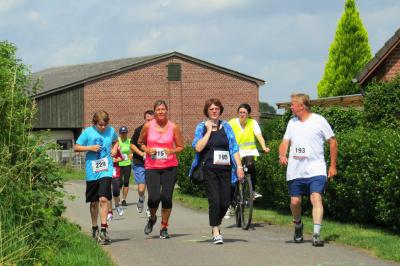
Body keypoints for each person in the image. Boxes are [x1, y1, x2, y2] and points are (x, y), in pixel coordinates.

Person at [278, 93, 338, 247]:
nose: (290, 107)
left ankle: (316, 234)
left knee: (315, 198)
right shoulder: (291, 123)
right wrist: (282, 154)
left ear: (302, 106)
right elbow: (285, 142)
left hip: (316, 169)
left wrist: (332, 166)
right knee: (295, 201)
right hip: (295, 171)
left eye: (292, 104)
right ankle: (298, 225)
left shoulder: (319, 120)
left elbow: (332, 142)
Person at [190, 98, 244, 245]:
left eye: (217, 109)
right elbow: (198, 147)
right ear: (207, 111)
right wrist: (208, 131)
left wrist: (239, 167)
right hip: (209, 170)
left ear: (220, 110)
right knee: (215, 201)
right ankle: (216, 231)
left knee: (225, 201)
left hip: (226, 170)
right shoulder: (201, 127)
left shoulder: (226, 126)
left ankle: (215, 221)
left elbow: (234, 148)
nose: (214, 111)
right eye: (211, 109)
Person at [138, 100, 183, 239]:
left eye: (163, 109)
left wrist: (171, 151)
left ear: (167, 110)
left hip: (170, 167)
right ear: (155, 112)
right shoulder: (147, 126)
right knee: (154, 198)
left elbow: (181, 146)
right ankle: (152, 218)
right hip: (152, 167)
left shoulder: (173, 127)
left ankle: (164, 227)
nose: (161, 111)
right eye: (158, 109)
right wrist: (147, 149)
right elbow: (140, 142)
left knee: (166, 198)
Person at [74, 110, 118, 245]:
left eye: (105, 124)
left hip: (106, 169)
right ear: (95, 123)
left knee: (103, 199)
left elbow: (116, 141)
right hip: (92, 171)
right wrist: (90, 147)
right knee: (94, 202)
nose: (103, 127)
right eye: (100, 125)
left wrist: (115, 148)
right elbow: (76, 147)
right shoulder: (88, 132)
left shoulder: (111, 131)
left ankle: (104, 230)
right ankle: (94, 227)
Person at [229, 103, 270, 200]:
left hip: (249, 151)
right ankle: (231, 201)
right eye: (240, 112)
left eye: (244, 112)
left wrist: (264, 147)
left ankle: (252, 191)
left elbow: (259, 136)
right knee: (233, 175)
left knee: (251, 166)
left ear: (248, 114)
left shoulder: (253, 122)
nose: (242, 114)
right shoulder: (232, 123)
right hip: (236, 152)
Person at [130, 110, 155, 214]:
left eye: (152, 120)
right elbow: (132, 145)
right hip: (139, 162)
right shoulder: (139, 130)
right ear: (144, 119)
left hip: (153, 162)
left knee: (151, 187)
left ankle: (150, 208)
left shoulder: (158, 130)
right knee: (141, 189)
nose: (149, 122)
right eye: (147, 120)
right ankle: (141, 199)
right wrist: (141, 153)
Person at [107, 144, 125, 222]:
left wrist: (116, 160)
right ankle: (110, 212)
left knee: (116, 191)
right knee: (108, 193)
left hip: (115, 172)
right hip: (105, 173)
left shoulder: (116, 149)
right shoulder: (103, 149)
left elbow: (122, 157)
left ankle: (117, 205)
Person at [118, 126, 133, 207]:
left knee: (126, 182)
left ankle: (124, 199)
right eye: (122, 133)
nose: (123, 134)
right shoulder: (117, 141)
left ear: (127, 133)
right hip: (119, 164)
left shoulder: (129, 141)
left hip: (127, 163)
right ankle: (117, 197)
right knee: (119, 182)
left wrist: (132, 154)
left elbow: (134, 150)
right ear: (120, 133)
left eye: (125, 133)